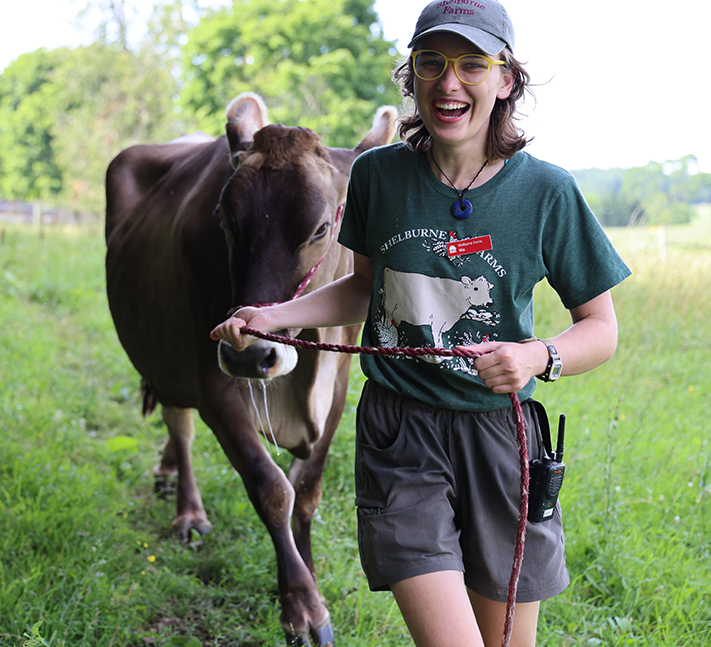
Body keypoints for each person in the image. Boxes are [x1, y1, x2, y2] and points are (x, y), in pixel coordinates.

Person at [210, 1, 631, 646]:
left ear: (506, 79)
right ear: (412, 74)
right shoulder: (378, 177)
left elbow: (600, 326)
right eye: (430, 62)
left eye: (471, 64)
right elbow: (368, 287)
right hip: (401, 436)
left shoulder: (547, 191)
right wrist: (272, 316)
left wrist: (538, 356)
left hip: (502, 437)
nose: (449, 81)